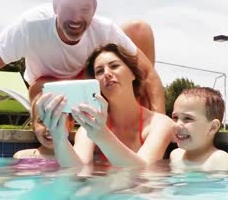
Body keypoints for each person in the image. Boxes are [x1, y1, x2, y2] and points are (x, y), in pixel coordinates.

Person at [0, 0, 165, 133]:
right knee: (42, 88)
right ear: (56, 6)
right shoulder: (31, 25)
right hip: (46, 86)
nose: (76, 18)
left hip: (90, 82)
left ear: (94, 8)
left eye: (84, 10)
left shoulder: (103, 29)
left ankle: (135, 121)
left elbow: (149, 74)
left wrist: (160, 123)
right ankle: (50, 127)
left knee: (139, 30)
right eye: (68, 9)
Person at [37, 43, 174, 167]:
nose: (107, 74)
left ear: (133, 73)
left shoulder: (160, 124)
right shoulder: (89, 126)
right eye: (99, 71)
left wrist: (102, 136)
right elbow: (76, 170)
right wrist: (59, 137)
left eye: (114, 66)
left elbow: (143, 170)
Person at [170, 87, 228, 171]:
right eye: (175, 117)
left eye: (188, 118)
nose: (177, 125)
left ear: (212, 128)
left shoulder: (218, 160)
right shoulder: (175, 155)